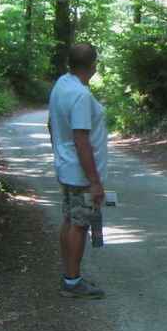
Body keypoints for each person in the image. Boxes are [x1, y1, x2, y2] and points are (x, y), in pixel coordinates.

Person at [47, 41, 108, 299]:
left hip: (67, 168)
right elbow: (81, 139)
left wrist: (60, 155)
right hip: (80, 173)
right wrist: (94, 182)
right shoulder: (81, 96)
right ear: (93, 64)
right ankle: (72, 281)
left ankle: (69, 275)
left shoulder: (63, 84)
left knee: (71, 220)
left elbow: (51, 124)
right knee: (80, 224)